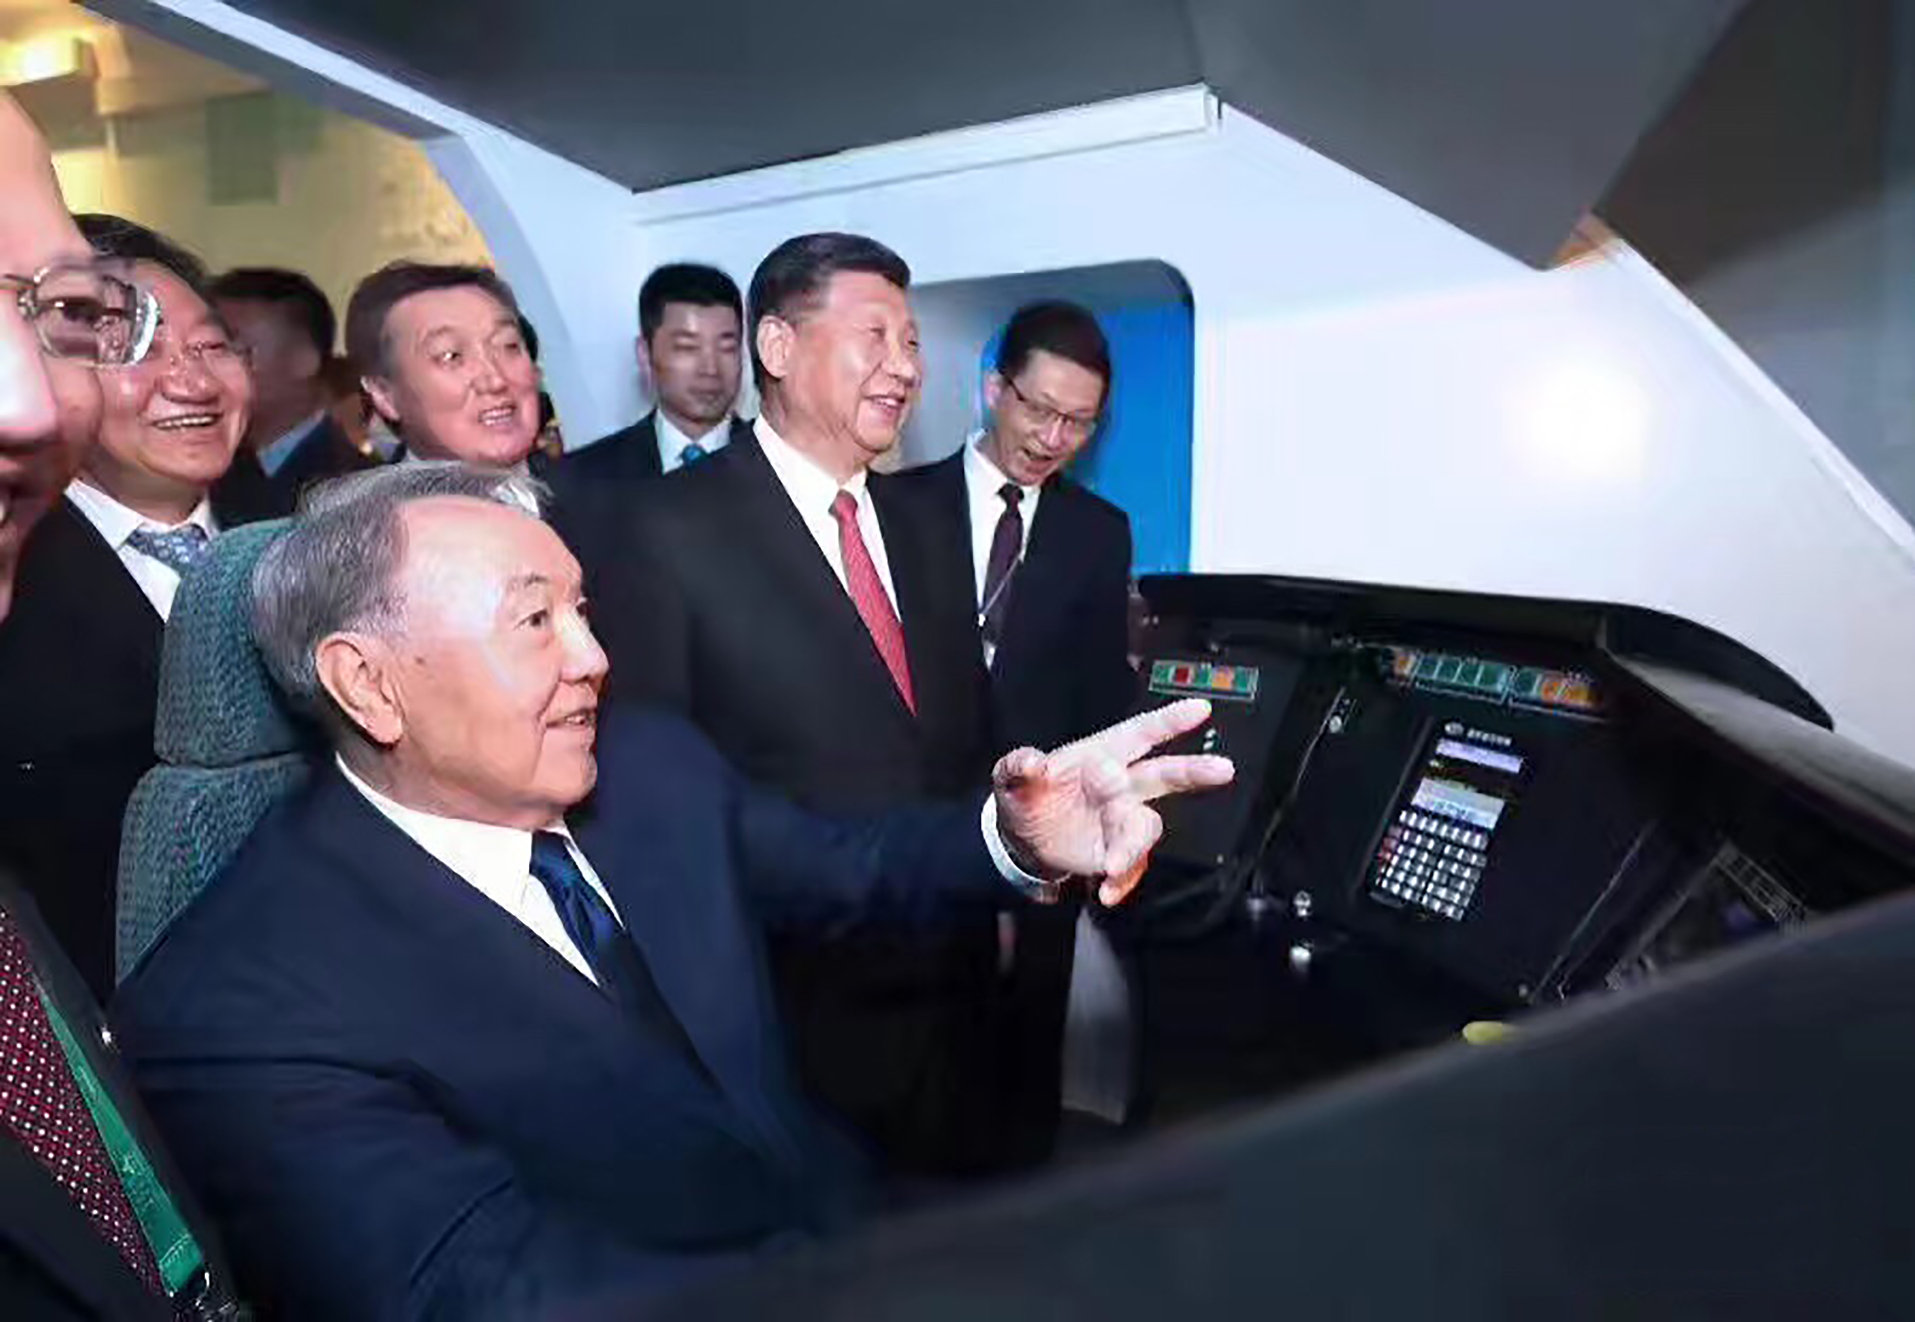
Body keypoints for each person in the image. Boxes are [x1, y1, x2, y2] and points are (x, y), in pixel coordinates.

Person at [112, 461, 1232, 1318]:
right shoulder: (235, 1008)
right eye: (535, 620)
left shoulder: (649, 767)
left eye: (582, 609)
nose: (593, 656)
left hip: (853, 1218)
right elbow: (494, 1291)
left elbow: (847, 865)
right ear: (367, 683)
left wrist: (1018, 839)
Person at [579, 233, 1010, 1174]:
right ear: (776, 347)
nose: (905, 367)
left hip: (955, 985)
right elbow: (656, 798)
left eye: (912, 342)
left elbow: (958, 736)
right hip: (790, 1005)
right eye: (875, 336)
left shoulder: (930, 521)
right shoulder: (661, 529)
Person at [0, 89, 239, 1321]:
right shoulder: (37, 599)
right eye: (134, 339)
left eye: (53, 312)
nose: (28, 402)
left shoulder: (298, 546)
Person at [887, 300, 1138, 1165]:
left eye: (1078, 422)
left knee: (1029, 1042)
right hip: (916, 820)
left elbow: (1101, 693)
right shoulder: (893, 507)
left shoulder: (1099, 534)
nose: (1052, 437)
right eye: (1039, 409)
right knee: (923, 1046)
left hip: (1044, 835)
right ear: (995, 388)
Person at [0, 215, 260, 997]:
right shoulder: (16, 579)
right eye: (135, 348)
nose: (193, 383)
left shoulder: (312, 535)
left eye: (211, 346)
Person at [343, 260, 542, 469]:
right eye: (451, 356)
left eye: (509, 345)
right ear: (385, 395)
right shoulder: (375, 491)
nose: (495, 380)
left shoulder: (565, 481)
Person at [210, 267, 374, 516]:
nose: (208, 368)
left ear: (304, 360)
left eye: (233, 348)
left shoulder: (355, 488)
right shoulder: (211, 465)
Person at [573, 262, 753, 480]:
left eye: (727, 348)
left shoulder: (779, 465)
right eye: (688, 347)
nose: (710, 369)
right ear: (644, 354)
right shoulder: (582, 477)